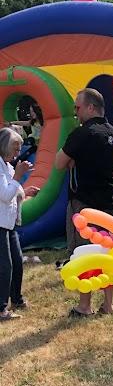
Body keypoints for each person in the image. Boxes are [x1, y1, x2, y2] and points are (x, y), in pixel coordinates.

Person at [54, 88, 113, 317]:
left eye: (78, 107)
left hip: (84, 205)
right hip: (109, 202)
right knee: (106, 252)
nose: (76, 111)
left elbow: (59, 163)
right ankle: (109, 304)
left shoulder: (81, 134)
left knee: (84, 252)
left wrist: (73, 158)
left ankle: (85, 306)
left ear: (90, 107)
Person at [0, 128, 39, 320]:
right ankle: (1, 308)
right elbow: (5, 195)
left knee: (17, 261)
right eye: (15, 149)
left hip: (10, 223)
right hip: (1, 223)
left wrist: (25, 191)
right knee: (4, 265)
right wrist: (18, 178)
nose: (17, 153)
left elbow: (13, 191)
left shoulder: (7, 166)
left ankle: (16, 298)